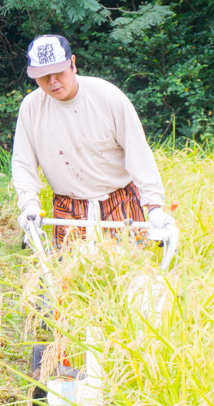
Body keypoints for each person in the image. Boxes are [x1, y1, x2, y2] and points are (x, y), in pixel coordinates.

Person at [11, 34, 175, 248]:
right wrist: (29, 205)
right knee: (67, 276)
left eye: (58, 73)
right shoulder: (32, 107)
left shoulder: (107, 97)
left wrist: (153, 207)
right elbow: (23, 162)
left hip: (119, 203)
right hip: (67, 207)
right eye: (43, 76)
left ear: (73, 64)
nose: (52, 82)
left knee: (128, 272)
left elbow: (138, 152)